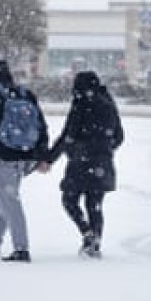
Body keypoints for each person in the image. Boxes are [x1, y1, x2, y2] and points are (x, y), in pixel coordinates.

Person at [0, 59, 49, 263]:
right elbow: (42, 125)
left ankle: (21, 248)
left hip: (4, 154)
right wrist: (41, 154)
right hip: (25, 154)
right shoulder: (24, 93)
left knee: (10, 200)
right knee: (6, 197)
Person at [46, 70, 124, 258]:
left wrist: (50, 158)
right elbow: (119, 136)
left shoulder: (81, 104)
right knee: (94, 204)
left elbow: (68, 136)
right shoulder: (108, 103)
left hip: (81, 162)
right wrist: (104, 149)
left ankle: (87, 232)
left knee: (69, 200)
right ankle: (94, 242)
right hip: (102, 163)